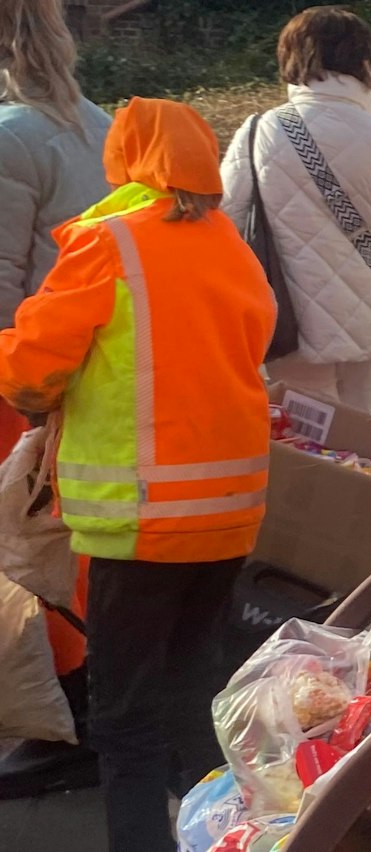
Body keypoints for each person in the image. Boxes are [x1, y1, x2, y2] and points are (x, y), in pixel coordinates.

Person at [0, 97, 277, 852]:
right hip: (231, 514)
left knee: (122, 720)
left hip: (137, 521)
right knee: (194, 702)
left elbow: (29, 372)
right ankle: (226, 836)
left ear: (124, 163)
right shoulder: (233, 248)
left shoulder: (107, 244)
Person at [0, 0, 111, 793]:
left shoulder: (12, 136)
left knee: (26, 557)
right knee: (61, 553)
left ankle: (61, 723)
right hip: (87, 382)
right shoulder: (98, 128)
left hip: (23, 381)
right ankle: (76, 712)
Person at [220, 7, 371, 411]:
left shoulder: (261, 131)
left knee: (307, 439)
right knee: (364, 435)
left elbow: (227, 216)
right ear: (362, 62)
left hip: (293, 321)